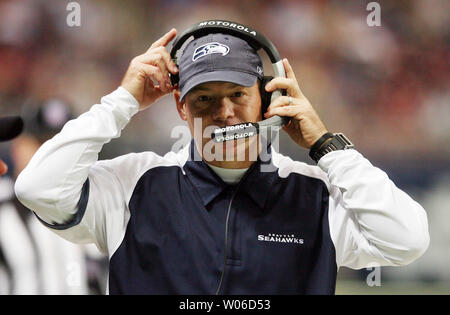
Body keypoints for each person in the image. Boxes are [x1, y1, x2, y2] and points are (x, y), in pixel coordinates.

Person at [15, 26, 429, 295]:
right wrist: (122, 102)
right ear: (180, 107)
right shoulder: (134, 183)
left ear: (268, 99)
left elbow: (407, 239)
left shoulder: (315, 194)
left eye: (237, 94)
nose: (224, 112)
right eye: (204, 99)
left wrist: (324, 143)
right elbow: (37, 188)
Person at [0, 102, 107, 294]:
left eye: (61, 147)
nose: (53, 157)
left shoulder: (100, 206)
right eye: (42, 144)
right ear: (18, 148)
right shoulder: (2, 208)